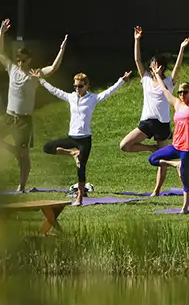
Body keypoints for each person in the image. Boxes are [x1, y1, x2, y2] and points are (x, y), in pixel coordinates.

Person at [0, 18, 68, 191]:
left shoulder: (35, 75)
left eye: (22, 59)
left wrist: (61, 49)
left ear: (29, 60)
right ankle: (12, 150)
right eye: (18, 59)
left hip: (23, 121)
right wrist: (1, 32)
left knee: (24, 156)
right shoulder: (11, 69)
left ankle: (22, 187)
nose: (19, 61)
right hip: (8, 116)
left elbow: (53, 68)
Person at [33, 69, 131, 205]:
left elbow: (108, 92)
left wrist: (122, 80)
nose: (77, 89)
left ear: (86, 86)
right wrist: (41, 80)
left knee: (81, 169)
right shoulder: (71, 97)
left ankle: (79, 197)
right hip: (72, 137)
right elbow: (55, 91)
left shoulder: (92, 99)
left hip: (84, 140)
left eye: (80, 86)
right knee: (47, 147)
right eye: (75, 86)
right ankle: (72, 153)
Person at [120, 26, 189, 190]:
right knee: (125, 145)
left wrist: (181, 49)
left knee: (161, 162)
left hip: (162, 124)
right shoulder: (145, 79)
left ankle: (156, 191)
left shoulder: (168, 83)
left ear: (161, 67)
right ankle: (152, 148)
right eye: (152, 65)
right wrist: (137, 40)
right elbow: (137, 60)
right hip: (146, 123)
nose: (153, 67)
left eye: (156, 65)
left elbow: (178, 67)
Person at [148, 54, 189, 213]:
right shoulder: (177, 103)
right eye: (181, 92)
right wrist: (156, 74)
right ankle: (175, 164)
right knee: (153, 158)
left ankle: (184, 208)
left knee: (185, 180)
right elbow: (163, 89)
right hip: (176, 146)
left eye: (185, 92)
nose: (182, 94)